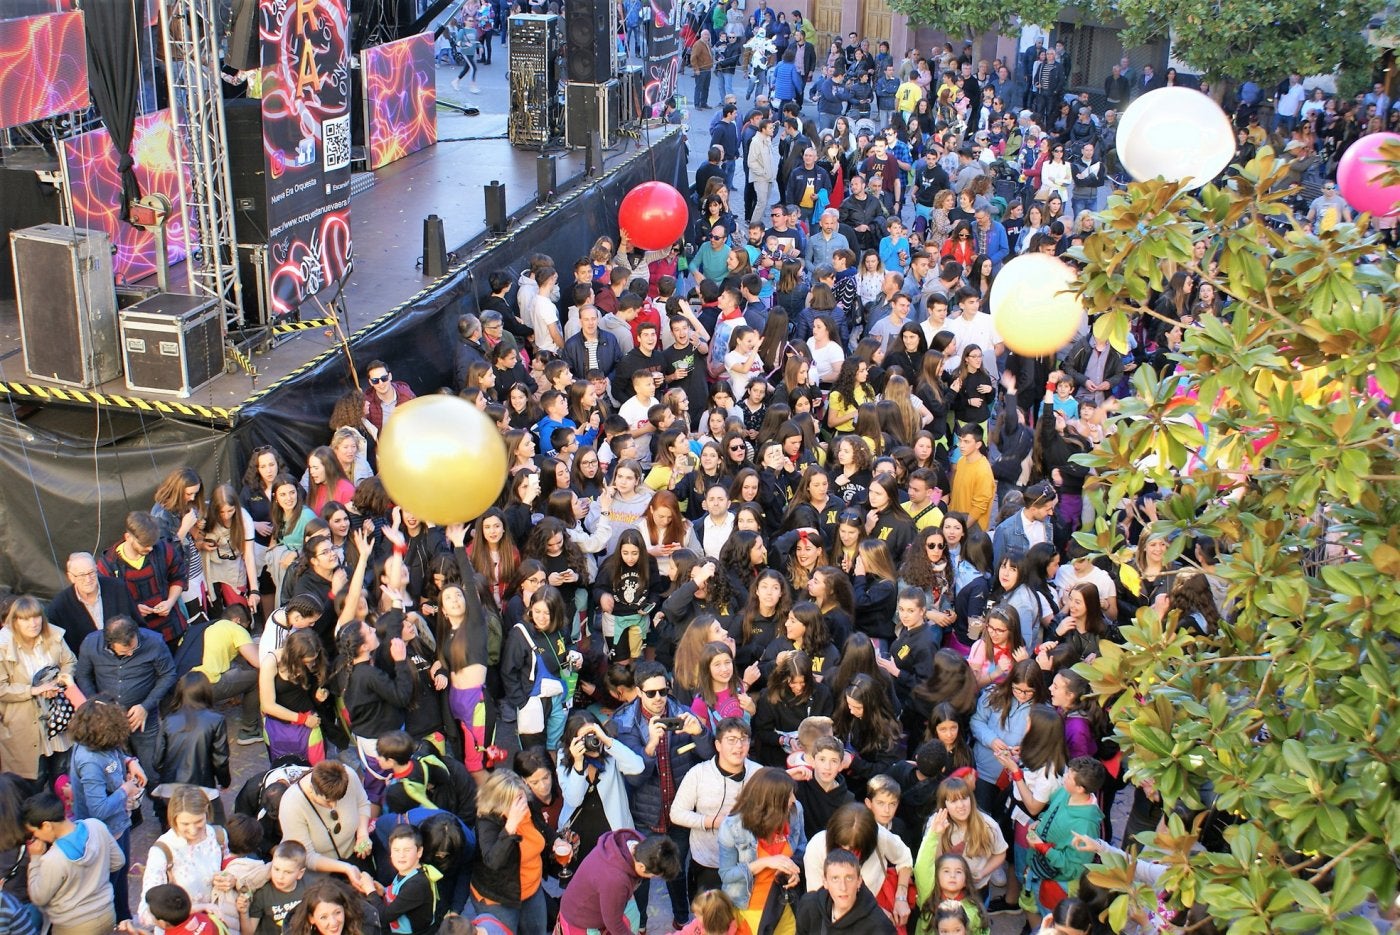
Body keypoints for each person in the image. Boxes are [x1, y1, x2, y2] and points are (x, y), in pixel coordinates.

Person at [74, 614, 175, 800]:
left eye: (134, 648)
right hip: (108, 720)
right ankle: (131, 815)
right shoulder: (90, 644)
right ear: (109, 643)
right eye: (125, 651)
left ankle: (163, 814)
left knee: (152, 768)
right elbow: (83, 676)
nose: (130, 653)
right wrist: (98, 704)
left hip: (143, 717)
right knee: (116, 772)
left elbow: (168, 674)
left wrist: (146, 706)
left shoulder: (154, 642)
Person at [67, 696, 144, 923]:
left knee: (121, 880)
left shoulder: (100, 744)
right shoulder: (90, 762)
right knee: (110, 882)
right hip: (105, 835)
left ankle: (124, 919)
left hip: (120, 825)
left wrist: (130, 761)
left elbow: (116, 753)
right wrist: (125, 790)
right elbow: (98, 809)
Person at [22, 791, 125, 935]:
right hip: (107, 913)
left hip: (73, 926)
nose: (35, 837)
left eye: (34, 832)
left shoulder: (52, 859)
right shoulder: (96, 826)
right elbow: (118, 861)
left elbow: (39, 898)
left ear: (46, 826)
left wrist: (35, 859)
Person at [0, 596, 77, 784]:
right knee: (31, 782)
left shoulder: (53, 635)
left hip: (57, 718)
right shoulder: (3, 646)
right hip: (23, 724)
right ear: (14, 622)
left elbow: (70, 662)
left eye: (36, 617)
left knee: (63, 778)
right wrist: (33, 690)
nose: (33, 623)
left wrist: (58, 683)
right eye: (26, 619)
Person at [557, 830, 682, 935]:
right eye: (653, 875)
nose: (653, 878)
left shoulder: (638, 845)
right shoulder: (616, 880)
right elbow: (614, 923)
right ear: (642, 867)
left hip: (598, 904)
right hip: (579, 921)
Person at [97, 511, 189, 648]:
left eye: (152, 543)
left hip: (172, 629)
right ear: (128, 537)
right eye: (145, 544)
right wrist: (132, 609)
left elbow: (178, 577)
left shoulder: (163, 550)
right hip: (138, 638)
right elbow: (108, 602)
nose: (150, 548)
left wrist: (170, 601)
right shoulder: (109, 564)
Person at [47, 551, 142, 658]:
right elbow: (59, 650)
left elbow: (138, 624)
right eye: (82, 575)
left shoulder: (117, 588)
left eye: (91, 572)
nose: (88, 579)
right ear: (71, 577)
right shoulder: (59, 606)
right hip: (89, 667)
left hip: (127, 658)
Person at [793, 848, 898, 934]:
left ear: (859, 881)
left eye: (849, 878)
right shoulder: (810, 906)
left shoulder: (878, 926)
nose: (843, 887)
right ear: (825, 882)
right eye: (835, 878)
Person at [361, 359, 416, 442]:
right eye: (375, 381)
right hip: (384, 447)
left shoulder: (406, 394)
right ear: (370, 382)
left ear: (390, 376)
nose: (381, 383)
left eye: (384, 378)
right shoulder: (367, 402)